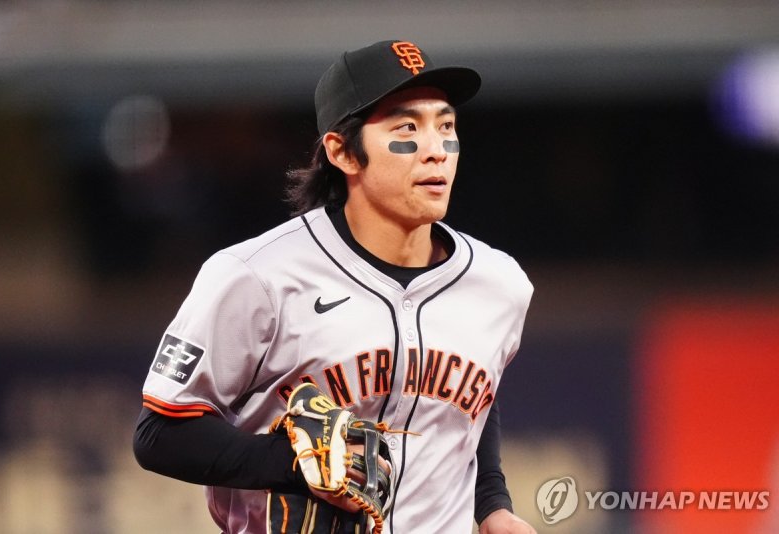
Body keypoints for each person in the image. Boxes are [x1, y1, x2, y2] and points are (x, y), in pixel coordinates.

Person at [133, 39, 535, 534]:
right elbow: (159, 432)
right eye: (407, 128)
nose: (436, 151)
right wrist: (287, 464)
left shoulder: (498, 283)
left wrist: (491, 504)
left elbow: (474, 399)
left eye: (446, 126)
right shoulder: (255, 276)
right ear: (342, 152)